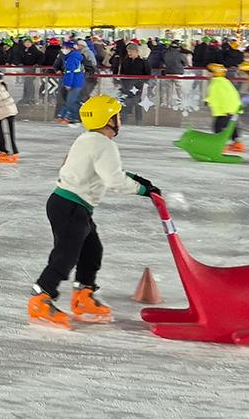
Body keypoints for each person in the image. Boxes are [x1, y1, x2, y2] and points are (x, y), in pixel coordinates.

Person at [28, 95, 160, 329]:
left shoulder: (86, 139)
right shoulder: (104, 144)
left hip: (66, 203)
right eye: (117, 116)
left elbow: (105, 170)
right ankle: (40, 298)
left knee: (92, 250)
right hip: (72, 205)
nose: (121, 119)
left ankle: (83, 297)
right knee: (66, 256)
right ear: (108, 119)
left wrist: (138, 179)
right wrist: (142, 189)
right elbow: (113, 179)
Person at [204, 62, 244, 151]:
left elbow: (217, 96)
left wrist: (207, 101)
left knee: (218, 127)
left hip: (225, 110)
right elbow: (230, 94)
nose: (207, 74)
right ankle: (237, 143)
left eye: (209, 72)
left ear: (214, 73)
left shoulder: (216, 83)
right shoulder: (225, 81)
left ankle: (220, 145)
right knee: (232, 126)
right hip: (232, 109)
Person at [56, 41, 85, 125]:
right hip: (77, 81)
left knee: (70, 101)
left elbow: (70, 72)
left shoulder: (71, 58)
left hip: (75, 82)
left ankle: (74, 117)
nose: (63, 50)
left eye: (65, 48)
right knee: (71, 100)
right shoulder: (72, 56)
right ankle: (64, 116)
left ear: (70, 49)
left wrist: (68, 84)